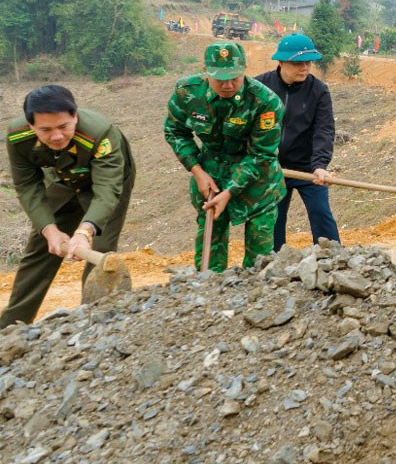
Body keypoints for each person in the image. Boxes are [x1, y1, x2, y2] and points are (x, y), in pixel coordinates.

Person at [1, 86, 135, 327]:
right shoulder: (17, 136)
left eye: (63, 127)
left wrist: (84, 232)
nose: (56, 136)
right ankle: (10, 327)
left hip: (108, 183)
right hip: (63, 177)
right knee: (41, 247)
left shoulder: (101, 134)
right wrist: (49, 229)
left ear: (75, 116)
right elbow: (27, 185)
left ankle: (92, 324)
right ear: (31, 127)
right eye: (45, 130)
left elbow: (107, 191)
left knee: (100, 251)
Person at [164, 41, 285, 272]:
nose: (228, 85)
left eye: (235, 78)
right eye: (220, 79)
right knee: (210, 250)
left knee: (260, 260)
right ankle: (209, 298)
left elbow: (261, 154)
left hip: (258, 183)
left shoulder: (265, 102)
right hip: (211, 176)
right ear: (205, 71)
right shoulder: (187, 92)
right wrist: (197, 171)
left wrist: (230, 191)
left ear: (245, 69)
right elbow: (175, 131)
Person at [254, 33, 340, 251]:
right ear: (281, 62)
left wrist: (320, 165)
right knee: (272, 220)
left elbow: (324, 129)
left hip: (307, 169)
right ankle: (272, 263)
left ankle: (333, 259)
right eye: (297, 63)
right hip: (271, 168)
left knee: (321, 213)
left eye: (308, 62)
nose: (305, 68)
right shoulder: (259, 88)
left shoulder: (318, 91)